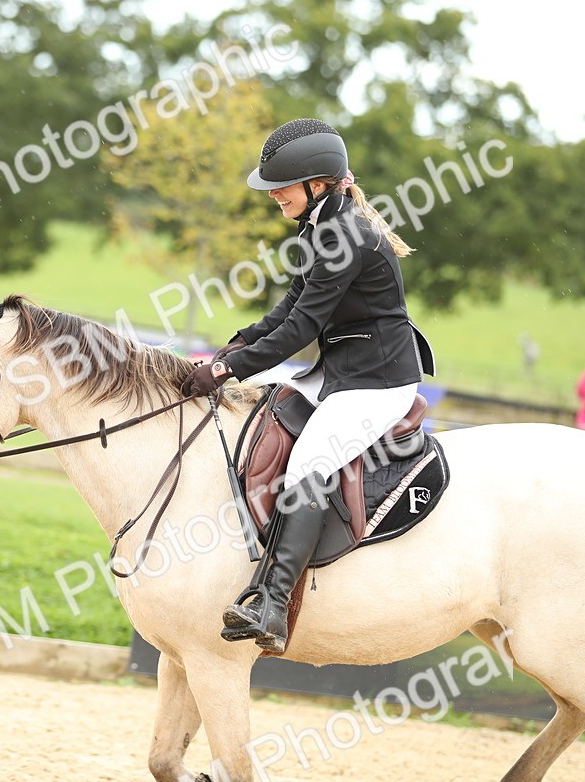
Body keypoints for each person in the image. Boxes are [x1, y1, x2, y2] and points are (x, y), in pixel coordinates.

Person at [180, 118, 435, 653]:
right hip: (341, 372)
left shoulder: (348, 236)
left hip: (376, 381)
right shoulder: (322, 226)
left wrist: (227, 372)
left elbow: (302, 328)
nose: (273, 195)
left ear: (317, 184)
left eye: (282, 186)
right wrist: (234, 345)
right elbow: (290, 307)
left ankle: (272, 604)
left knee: (311, 461)